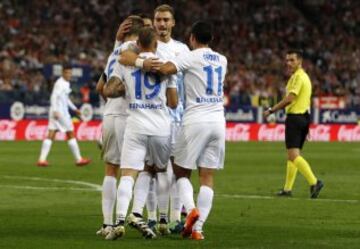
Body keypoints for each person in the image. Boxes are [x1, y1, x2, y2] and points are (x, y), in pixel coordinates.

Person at [119, 4, 190, 234]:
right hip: (159, 116)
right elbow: (125, 55)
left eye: (165, 19)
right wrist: (144, 62)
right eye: (158, 19)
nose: (161, 23)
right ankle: (151, 216)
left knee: (174, 169)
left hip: (178, 117)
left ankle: (172, 217)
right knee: (151, 168)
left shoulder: (182, 49)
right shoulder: (138, 47)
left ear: (173, 23)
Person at [105, 27, 178, 240]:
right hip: (161, 127)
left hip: (135, 124)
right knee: (162, 171)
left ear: (138, 44)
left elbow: (111, 89)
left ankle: (119, 220)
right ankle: (163, 218)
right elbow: (173, 103)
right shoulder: (165, 65)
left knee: (128, 174)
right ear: (155, 44)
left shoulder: (127, 63)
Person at [157, 21, 227, 240]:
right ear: (212, 39)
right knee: (207, 177)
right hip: (218, 121)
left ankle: (191, 209)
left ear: (192, 38)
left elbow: (167, 69)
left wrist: (143, 63)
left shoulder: (190, 55)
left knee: (179, 170)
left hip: (196, 119)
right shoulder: (223, 60)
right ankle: (198, 229)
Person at [95, 15, 144, 237]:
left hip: (109, 115)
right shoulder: (136, 52)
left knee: (110, 170)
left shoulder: (114, 53)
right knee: (133, 170)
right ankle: (127, 219)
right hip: (129, 116)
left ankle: (106, 224)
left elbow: (100, 87)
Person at [264, 49, 324, 198]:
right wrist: (307, 124)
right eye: (287, 60)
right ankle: (287, 189)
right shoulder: (304, 77)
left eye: (292, 60)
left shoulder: (298, 77)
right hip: (303, 117)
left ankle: (314, 182)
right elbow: (305, 100)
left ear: (300, 61)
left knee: (293, 155)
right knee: (293, 156)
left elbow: (290, 98)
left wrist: (272, 110)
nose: (288, 63)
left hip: (295, 118)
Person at [37, 65, 90, 167]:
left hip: (55, 111)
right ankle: (79, 159)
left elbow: (65, 99)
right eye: (67, 73)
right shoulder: (60, 83)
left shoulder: (65, 83)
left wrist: (74, 108)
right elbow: (53, 96)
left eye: (70, 73)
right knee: (70, 133)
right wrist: (56, 110)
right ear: (62, 73)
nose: (69, 75)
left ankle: (41, 160)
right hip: (60, 112)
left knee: (51, 133)